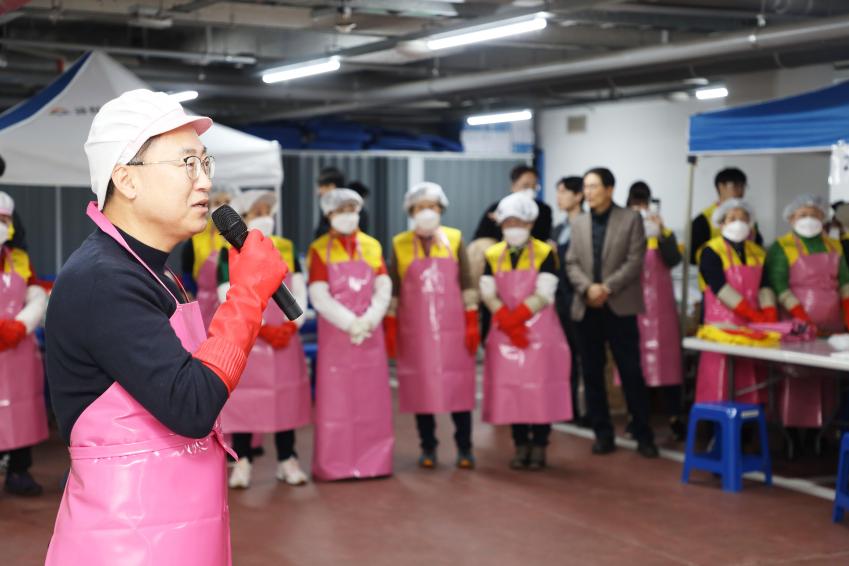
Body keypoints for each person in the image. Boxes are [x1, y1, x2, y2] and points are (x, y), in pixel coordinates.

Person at [44, 89, 288, 565]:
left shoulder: (154, 271)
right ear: (126, 180)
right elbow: (191, 404)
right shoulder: (103, 279)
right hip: (127, 544)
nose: (205, 182)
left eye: (205, 162)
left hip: (172, 532)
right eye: (186, 165)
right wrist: (247, 296)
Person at [218, 189, 311, 488]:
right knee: (247, 402)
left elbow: (299, 286)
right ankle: (242, 462)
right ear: (243, 218)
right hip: (250, 338)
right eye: (257, 212)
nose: (264, 218)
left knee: (285, 400)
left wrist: (291, 325)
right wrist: (259, 326)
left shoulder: (285, 246)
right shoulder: (228, 252)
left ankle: (288, 460)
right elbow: (224, 292)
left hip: (284, 338)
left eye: (267, 211)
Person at [566, 167, 659, 458]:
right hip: (587, 306)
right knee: (592, 373)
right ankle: (602, 433)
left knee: (631, 372)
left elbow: (635, 260)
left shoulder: (630, 219)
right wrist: (587, 289)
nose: (588, 192)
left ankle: (643, 433)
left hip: (619, 306)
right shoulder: (578, 223)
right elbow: (571, 263)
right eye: (586, 187)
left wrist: (606, 287)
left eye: (594, 186)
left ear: (609, 189)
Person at [385, 182, 479, 469]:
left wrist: (473, 319)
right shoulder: (399, 243)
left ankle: (465, 447)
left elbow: (466, 282)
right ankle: (428, 447)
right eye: (421, 207)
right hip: (416, 334)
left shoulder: (455, 238)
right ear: (411, 211)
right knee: (421, 388)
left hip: (453, 331)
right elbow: (394, 288)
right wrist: (390, 324)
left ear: (441, 209)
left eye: (433, 206)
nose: (428, 212)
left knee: (458, 388)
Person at [480, 193, 571, 470]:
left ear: (530, 223)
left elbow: (545, 291)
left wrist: (518, 316)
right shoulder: (492, 254)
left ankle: (540, 445)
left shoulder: (546, 252)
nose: (513, 227)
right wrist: (504, 317)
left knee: (540, 389)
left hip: (540, 333)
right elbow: (487, 289)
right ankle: (520, 445)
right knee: (513, 391)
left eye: (519, 221)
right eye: (508, 222)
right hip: (505, 332)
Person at [307, 188, 393, 481]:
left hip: (369, 335)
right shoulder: (318, 249)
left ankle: (375, 462)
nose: (347, 215)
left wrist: (368, 321)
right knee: (338, 403)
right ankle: (336, 464)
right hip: (337, 338)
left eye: (351, 208)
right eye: (340, 209)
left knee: (372, 401)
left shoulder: (372, 246)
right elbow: (319, 295)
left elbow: (384, 287)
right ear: (329, 214)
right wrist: (350, 324)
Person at [766, 194, 849, 428]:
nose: (809, 219)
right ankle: (792, 430)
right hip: (797, 325)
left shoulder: (834, 245)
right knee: (798, 376)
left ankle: (826, 427)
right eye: (803, 215)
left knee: (827, 378)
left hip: (833, 326)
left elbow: (844, 283)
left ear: (823, 217)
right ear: (791, 218)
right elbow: (779, 285)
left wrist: (848, 312)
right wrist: (801, 317)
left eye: (814, 215)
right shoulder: (782, 246)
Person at [695, 199, 776, 405]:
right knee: (720, 382)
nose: (738, 223)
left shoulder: (758, 252)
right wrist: (749, 311)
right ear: (721, 223)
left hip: (752, 329)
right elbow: (719, 287)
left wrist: (769, 313)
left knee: (749, 382)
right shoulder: (710, 251)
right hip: (722, 327)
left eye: (743, 218)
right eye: (732, 218)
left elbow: (765, 285)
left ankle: (748, 431)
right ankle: (717, 430)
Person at [625, 182, 686, 440]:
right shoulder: (624, 234)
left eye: (644, 203)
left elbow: (673, 259)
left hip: (662, 311)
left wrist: (661, 233)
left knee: (668, 362)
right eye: (635, 204)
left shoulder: (662, 233)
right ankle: (636, 417)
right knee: (633, 364)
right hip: (633, 307)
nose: (640, 209)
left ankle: (674, 416)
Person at [0, 192, 49, 496]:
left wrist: (22, 323)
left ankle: (19, 470)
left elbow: (34, 290)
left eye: (4, 220)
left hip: (18, 349)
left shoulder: (19, 259)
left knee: (21, 407)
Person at [551, 176, 587, 426]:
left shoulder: (587, 225)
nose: (559, 197)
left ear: (578, 196)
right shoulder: (557, 228)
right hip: (560, 298)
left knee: (586, 358)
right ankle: (568, 407)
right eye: (558, 192)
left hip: (581, 298)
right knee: (566, 357)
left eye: (564, 192)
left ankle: (589, 412)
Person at [180, 183, 238, 327]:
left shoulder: (239, 236)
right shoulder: (196, 239)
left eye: (228, 202)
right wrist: (191, 293)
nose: (223, 207)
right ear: (209, 204)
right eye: (217, 202)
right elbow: (186, 272)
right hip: (204, 305)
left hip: (235, 303)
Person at [690, 167, 763, 266]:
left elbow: (758, 245)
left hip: (748, 272)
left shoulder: (748, 216)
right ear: (721, 187)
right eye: (736, 186)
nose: (740, 191)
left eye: (743, 186)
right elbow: (693, 256)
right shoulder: (703, 220)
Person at [473, 164, 553, 242]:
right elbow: (480, 239)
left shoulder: (543, 210)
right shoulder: (497, 208)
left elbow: (544, 238)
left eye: (534, 186)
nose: (530, 190)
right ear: (513, 186)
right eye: (525, 186)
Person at [313, 167, 369, 238]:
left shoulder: (357, 210)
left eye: (321, 186)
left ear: (331, 186)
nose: (318, 191)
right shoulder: (329, 207)